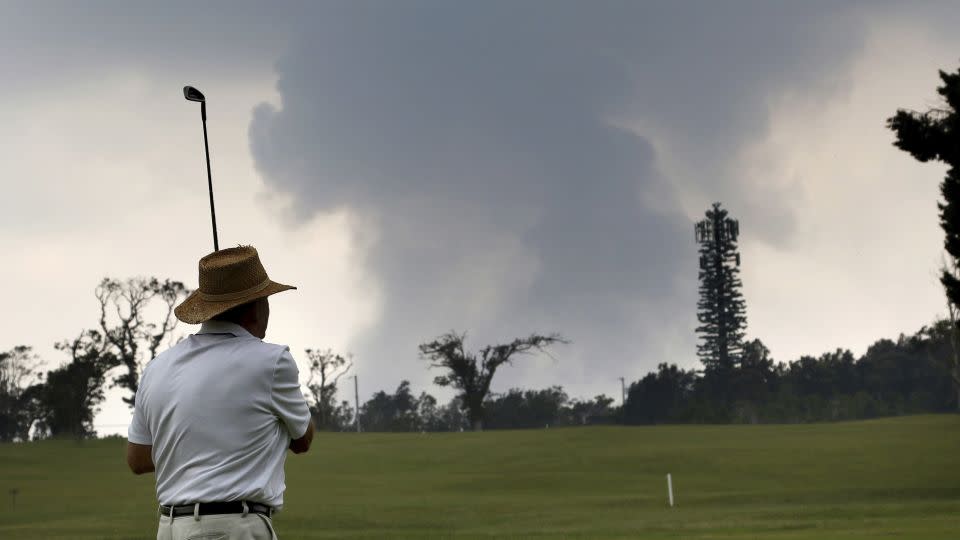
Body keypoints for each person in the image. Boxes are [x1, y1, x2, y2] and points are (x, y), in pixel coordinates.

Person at [127, 245, 315, 540]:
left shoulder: (156, 367)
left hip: (171, 528)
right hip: (235, 527)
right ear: (256, 307)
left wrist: (195, 451)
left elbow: (138, 459)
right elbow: (303, 439)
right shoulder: (272, 361)